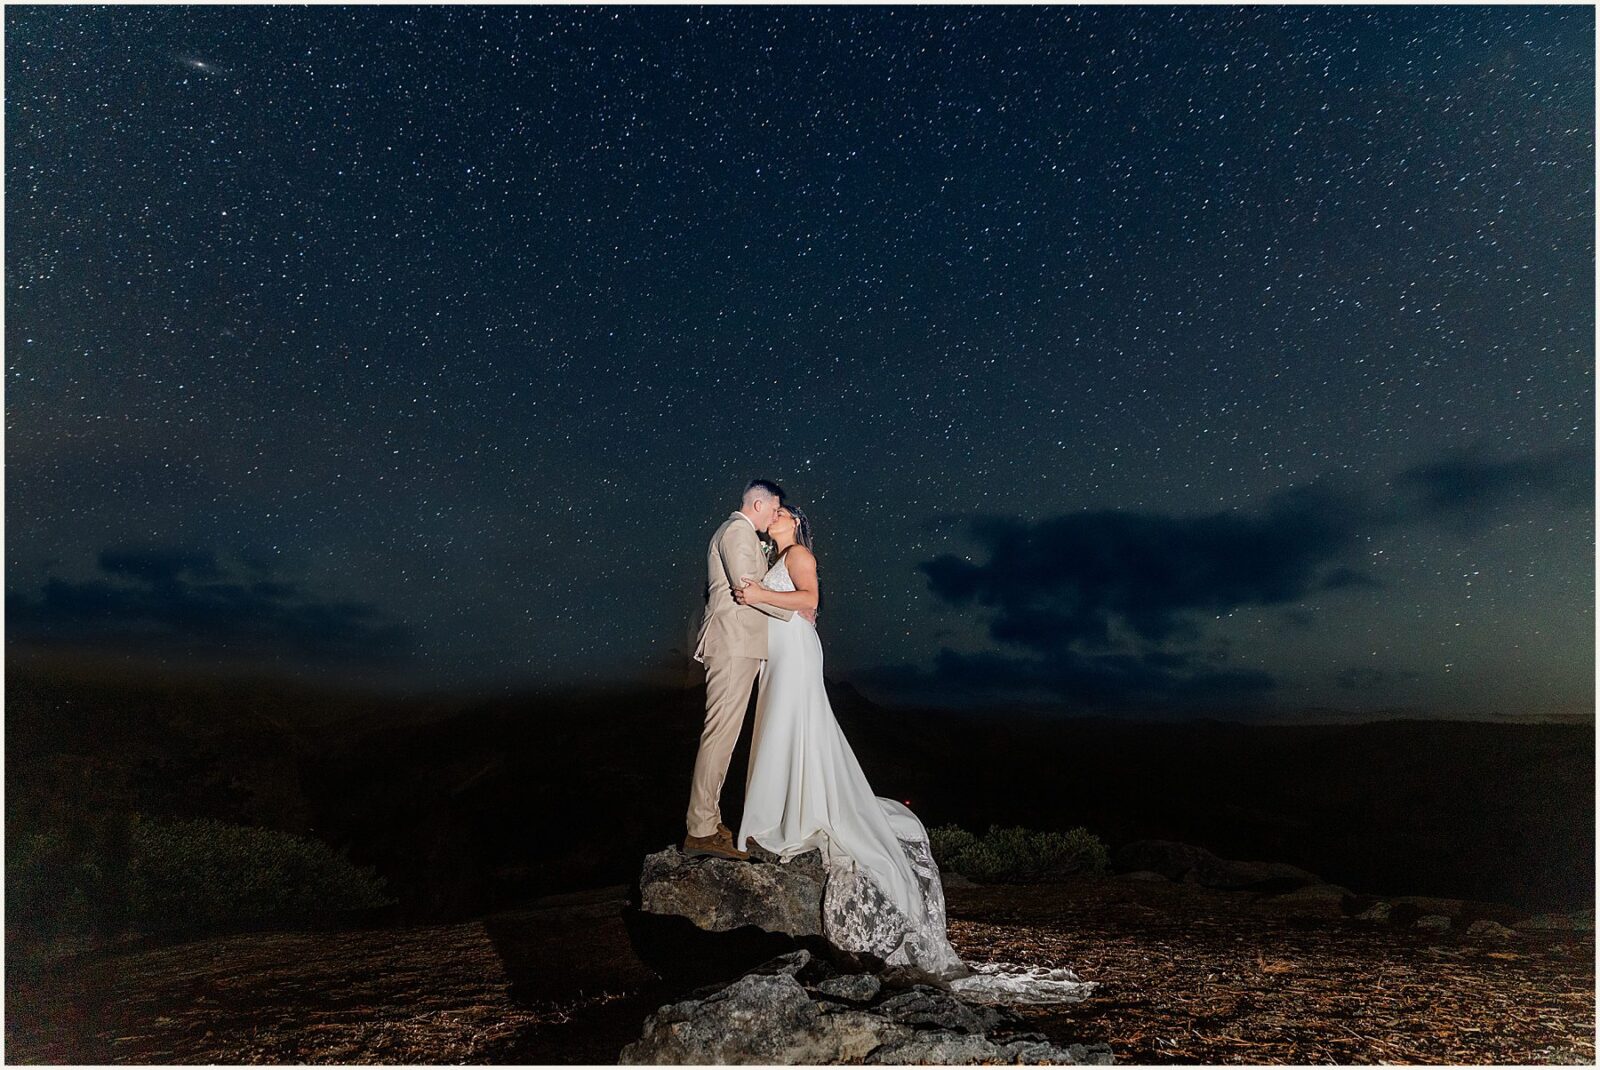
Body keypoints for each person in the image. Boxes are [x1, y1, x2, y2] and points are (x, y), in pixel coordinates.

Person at [732, 504, 1098, 1002]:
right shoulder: (776, 552)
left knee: (796, 726)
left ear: (793, 521)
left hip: (796, 651)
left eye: (781, 512)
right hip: (780, 655)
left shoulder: (799, 553)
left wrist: (755, 594)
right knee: (779, 729)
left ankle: (793, 812)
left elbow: (810, 600)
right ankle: (778, 808)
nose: (773, 516)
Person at [684, 480, 816, 861]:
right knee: (720, 733)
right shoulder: (738, 531)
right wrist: (796, 610)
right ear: (759, 504)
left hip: (745, 646)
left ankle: (710, 820)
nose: (776, 515)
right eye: (774, 509)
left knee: (728, 734)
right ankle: (701, 828)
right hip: (733, 644)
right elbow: (747, 590)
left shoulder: (744, 534)